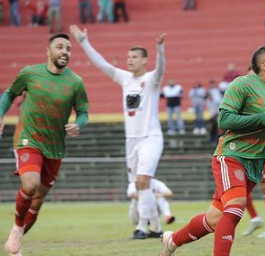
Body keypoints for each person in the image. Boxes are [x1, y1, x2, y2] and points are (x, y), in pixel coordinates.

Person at [159, 43, 265, 256]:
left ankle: (171, 242)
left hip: (256, 161)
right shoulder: (242, 84)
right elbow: (224, 119)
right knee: (236, 208)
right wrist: (261, 119)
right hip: (232, 155)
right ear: (264, 65)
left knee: (214, 219)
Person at [70, 25, 166, 239]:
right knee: (141, 183)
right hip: (131, 140)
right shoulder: (124, 78)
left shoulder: (151, 79)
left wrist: (160, 50)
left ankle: (142, 226)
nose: (129, 60)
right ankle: (157, 228)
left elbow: (161, 70)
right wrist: (84, 41)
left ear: (144, 60)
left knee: (142, 180)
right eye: (128, 56)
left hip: (151, 137)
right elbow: (101, 64)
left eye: (134, 57)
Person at [0, 33, 89, 256]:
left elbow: (83, 112)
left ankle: (16, 238)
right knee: (30, 185)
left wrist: (79, 124)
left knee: (38, 199)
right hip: (28, 139)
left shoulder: (76, 82)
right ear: (48, 51)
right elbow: (10, 94)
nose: (64, 52)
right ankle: (18, 229)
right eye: (59, 47)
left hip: (55, 146)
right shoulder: (30, 73)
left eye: (68, 48)